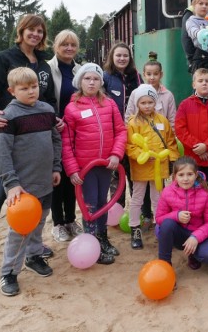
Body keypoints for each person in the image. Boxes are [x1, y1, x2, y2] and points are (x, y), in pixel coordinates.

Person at [0, 14, 57, 282]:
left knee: (39, 205)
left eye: (40, 31)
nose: (36, 34)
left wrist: (54, 118)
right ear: (21, 31)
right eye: (31, 30)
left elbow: (48, 97)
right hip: (10, 136)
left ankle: (33, 251)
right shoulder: (4, 59)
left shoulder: (42, 63)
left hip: (37, 136)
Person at [0, 68, 62, 296]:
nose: (31, 91)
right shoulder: (7, 117)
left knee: (40, 223)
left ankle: (33, 257)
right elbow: (1, 154)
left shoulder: (47, 110)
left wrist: (56, 167)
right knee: (19, 231)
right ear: (12, 91)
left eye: (34, 86)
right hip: (21, 188)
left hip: (44, 182)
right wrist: (11, 183)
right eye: (24, 88)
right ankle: (8, 272)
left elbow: (55, 139)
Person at [61, 63, 127, 265]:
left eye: (96, 79)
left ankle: (102, 238)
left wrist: (116, 154)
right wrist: (72, 169)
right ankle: (91, 246)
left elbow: (121, 131)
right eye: (87, 78)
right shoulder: (72, 108)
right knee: (89, 206)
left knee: (103, 203)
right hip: (85, 169)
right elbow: (67, 143)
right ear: (80, 81)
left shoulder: (109, 104)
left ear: (101, 82)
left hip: (106, 165)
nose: (92, 82)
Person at [125, 84, 179, 250]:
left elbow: (170, 141)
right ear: (137, 104)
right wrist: (142, 156)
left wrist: (172, 158)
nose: (147, 105)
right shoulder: (133, 123)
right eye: (143, 102)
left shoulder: (162, 120)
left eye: (150, 102)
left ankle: (160, 226)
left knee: (159, 199)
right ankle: (135, 228)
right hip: (141, 167)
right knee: (137, 198)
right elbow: (129, 145)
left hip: (159, 167)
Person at [47, 29, 83, 242]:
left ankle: (71, 219)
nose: (69, 48)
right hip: (55, 129)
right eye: (64, 44)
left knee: (72, 176)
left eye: (73, 45)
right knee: (56, 175)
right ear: (56, 46)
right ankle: (58, 223)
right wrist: (53, 119)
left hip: (75, 130)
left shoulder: (79, 69)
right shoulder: (48, 68)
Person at [155, 156, 208, 271]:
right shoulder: (167, 192)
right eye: (181, 175)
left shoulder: (205, 194)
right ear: (175, 177)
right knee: (167, 224)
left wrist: (196, 237)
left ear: (196, 174)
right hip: (177, 232)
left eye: (189, 174)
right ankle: (165, 266)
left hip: (196, 232)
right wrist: (176, 216)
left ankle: (193, 255)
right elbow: (159, 218)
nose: (185, 179)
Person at [175, 68, 208, 200]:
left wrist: (206, 146)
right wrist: (198, 148)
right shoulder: (185, 105)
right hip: (192, 160)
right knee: (192, 192)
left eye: (207, 81)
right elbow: (180, 130)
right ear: (194, 84)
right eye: (200, 81)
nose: (204, 83)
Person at [103, 42, 141, 209]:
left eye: (125, 55)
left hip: (135, 133)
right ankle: (117, 210)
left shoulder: (136, 76)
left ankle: (137, 210)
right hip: (114, 133)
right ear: (112, 57)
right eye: (118, 55)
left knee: (134, 173)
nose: (122, 58)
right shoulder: (105, 77)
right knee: (116, 174)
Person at [126, 51, 177, 131]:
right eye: (149, 74)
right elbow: (128, 117)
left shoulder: (168, 95)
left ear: (161, 74)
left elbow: (172, 120)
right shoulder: (135, 93)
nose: (152, 77)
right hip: (140, 136)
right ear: (144, 75)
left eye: (156, 74)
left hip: (161, 136)